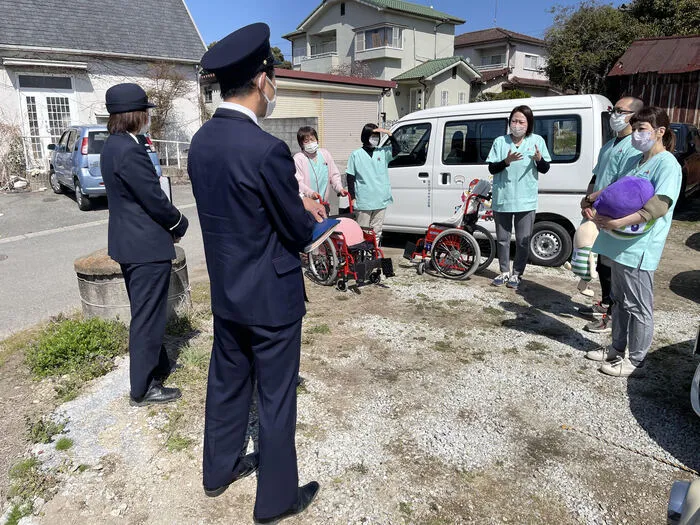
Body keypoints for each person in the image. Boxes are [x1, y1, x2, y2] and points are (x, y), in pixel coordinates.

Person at [187, 23, 324, 524]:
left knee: (226, 384)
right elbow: (296, 231)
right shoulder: (266, 149)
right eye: (274, 78)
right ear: (262, 79)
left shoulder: (200, 142)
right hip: (271, 295)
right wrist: (307, 210)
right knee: (275, 398)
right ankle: (275, 502)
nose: (274, 88)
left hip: (227, 291)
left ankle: (216, 472)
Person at [100, 83, 189, 406]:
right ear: (136, 116)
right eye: (146, 113)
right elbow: (152, 197)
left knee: (145, 310)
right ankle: (142, 387)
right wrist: (178, 221)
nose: (149, 118)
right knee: (148, 316)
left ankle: (157, 365)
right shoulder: (130, 150)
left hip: (129, 242)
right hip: (145, 246)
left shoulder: (112, 145)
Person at [584, 106, 681, 377]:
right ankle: (616, 348)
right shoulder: (635, 161)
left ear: (660, 132)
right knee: (619, 299)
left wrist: (618, 222)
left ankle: (636, 359)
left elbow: (658, 206)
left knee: (638, 305)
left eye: (642, 130)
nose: (636, 135)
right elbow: (615, 189)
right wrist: (592, 200)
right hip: (618, 242)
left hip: (640, 246)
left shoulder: (667, 164)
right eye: (635, 128)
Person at [579, 96, 644, 334]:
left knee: (610, 267)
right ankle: (606, 302)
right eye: (613, 110)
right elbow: (596, 177)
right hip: (596, 212)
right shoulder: (609, 145)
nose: (614, 115)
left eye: (620, 111)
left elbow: (623, 186)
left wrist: (596, 200)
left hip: (614, 216)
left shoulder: (634, 148)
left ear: (634, 116)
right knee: (599, 264)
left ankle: (612, 315)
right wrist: (587, 199)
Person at [486, 105, 551, 290]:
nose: (517, 125)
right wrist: (506, 161)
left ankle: (517, 274)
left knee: (523, 240)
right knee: (502, 239)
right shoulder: (500, 142)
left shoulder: (536, 141)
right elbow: (491, 168)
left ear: (529, 123)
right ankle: (504, 271)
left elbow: (545, 169)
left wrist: (539, 159)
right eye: (514, 121)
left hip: (525, 199)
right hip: (503, 198)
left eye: (521, 121)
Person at [346, 123, 401, 243]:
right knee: (362, 232)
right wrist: (352, 197)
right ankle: (362, 257)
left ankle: (375, 258)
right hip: (364, 200)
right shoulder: (356, 155)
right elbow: (350, 177)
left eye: (377, 135)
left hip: (380, 199)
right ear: (366, 136)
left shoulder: (383, 152)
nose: (375, 138)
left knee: (377, 231)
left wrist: (390, 134)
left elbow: (397, 150)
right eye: (372, 135)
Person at [294, 126, 348, 212]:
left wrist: (339, 188)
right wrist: (310, 193)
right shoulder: (298, 158)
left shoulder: (325, 154)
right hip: (308, 206)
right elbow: (298, 182)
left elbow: (334, 175)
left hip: (324, 204)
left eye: (312, 139)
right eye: (306, 141)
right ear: (301, 144)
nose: (310, 143)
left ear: (317, 140)